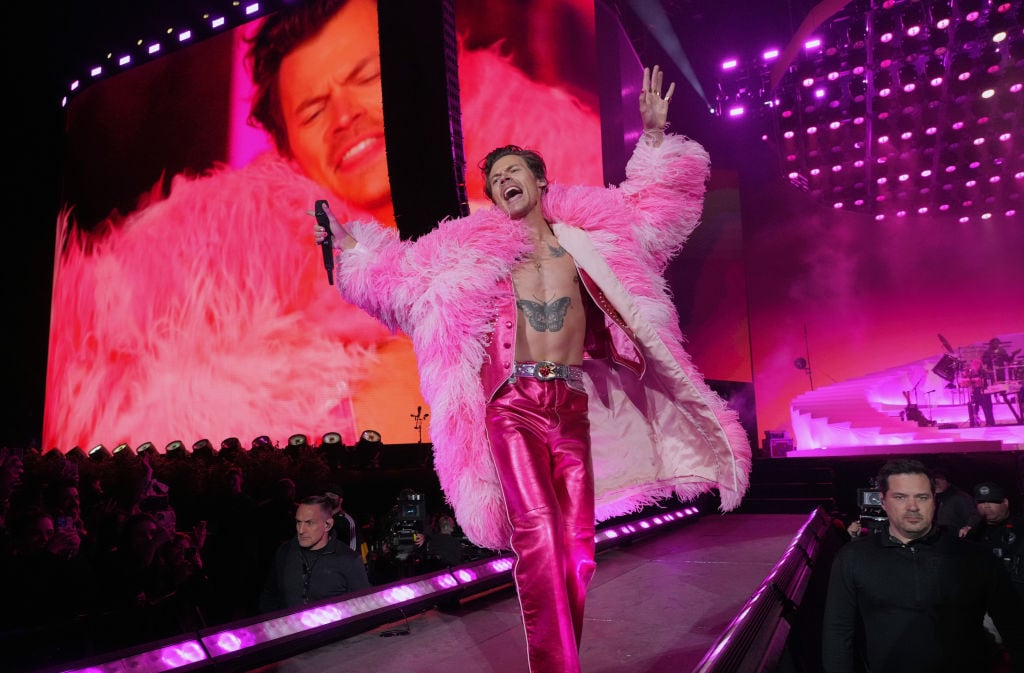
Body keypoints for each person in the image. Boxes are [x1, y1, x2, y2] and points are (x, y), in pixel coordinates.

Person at [314, 65, 751, 673]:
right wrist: (353, 245)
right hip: (511, 405)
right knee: (539, 535)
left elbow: (656, 210)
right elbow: (401, 280)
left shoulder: (592, 239)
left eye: (511, 172)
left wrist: (653, 140)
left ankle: (558, 658)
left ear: (540, 181)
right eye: (493, 180)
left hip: (570, 406)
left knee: (578, 552)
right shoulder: (475, 252)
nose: (501, 182)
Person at [46, 0, 603, 452]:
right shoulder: (261, 329)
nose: (344, 117)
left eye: (368, 77)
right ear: (290, 151)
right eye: (313, 112)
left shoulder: (544, 222)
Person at [821, 459, 1024, 673]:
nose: (913, 507)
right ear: (883, 501)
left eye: (922, 497)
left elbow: (1014, 626)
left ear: (934, 501)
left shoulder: (976, 558)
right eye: (900, 497)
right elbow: (838, 634)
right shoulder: (853, 558)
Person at [258, 495, 370, 612]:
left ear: (328, 525)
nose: (301, 530)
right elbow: (269, 595)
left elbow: (363, 609)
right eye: (298, 522)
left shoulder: (350, 560)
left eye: (309, 523)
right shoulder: (285, 551)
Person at [966, 481, 1024, 600]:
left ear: (1005, 503)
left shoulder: (1020, 528)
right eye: (981, 502)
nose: (986, 506)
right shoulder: (973, 533)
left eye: (992, 501)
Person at [932, 468, 980, 535]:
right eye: (934, 479)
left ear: (948, 482)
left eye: (941, 478)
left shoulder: (961, 497)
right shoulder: (934, 498)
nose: (936, 482)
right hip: (940, 539)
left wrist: (968, 527)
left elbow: (974, 516)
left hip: (956, 540)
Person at [965, 357, 996, 427]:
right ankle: (975, 423)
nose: (974, 366)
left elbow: (987, 382)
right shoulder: (971, 373)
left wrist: (979, 381)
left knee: (987, 409)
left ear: (980, 365)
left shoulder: (984, 372)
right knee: (973, 408)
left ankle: (990, 423)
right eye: (973, 364)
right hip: (975, 393)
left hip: (984, 393)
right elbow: (967, 382)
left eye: (976, 364)